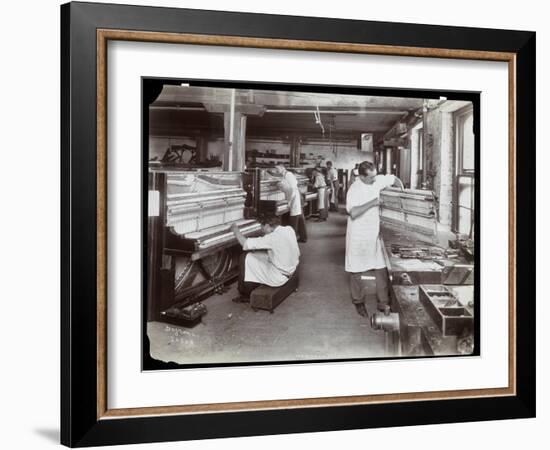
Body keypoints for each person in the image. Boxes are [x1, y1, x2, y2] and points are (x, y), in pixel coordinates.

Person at [345, 161, 404, 318]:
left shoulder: (377, 179)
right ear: (362, 176)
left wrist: (401, 193)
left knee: (381, 268)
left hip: (375, 232)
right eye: (371, 177)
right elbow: (353, 213)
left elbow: (394, 179)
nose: (374, 179)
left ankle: (383, 302)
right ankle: (358, 301)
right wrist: (373, 202)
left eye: (375, 175)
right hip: (359, 234)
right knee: (356, 269)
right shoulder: (354, 189)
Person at [230, 216, 300, 303]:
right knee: (256, 255)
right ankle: (252, 284)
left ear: (267, 226)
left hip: (278, 277)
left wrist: (235, 230)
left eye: (261, 227)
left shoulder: (272, 237)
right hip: (290, 269)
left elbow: (245, 243)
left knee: (244, 257)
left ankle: (245, 294)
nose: (261, 230)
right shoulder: (289, 229)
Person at [274, 164, 308, 243]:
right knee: (299, 218)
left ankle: (293, 239)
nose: (277, 171)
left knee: (294, 218)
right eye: (276, 169)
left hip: (294, 197)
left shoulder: (289, 175)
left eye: (278, 169)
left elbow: (292, 188)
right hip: (293, 197)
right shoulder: (284, 175)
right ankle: (303, 237)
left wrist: (289, 201)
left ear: (282, 168)